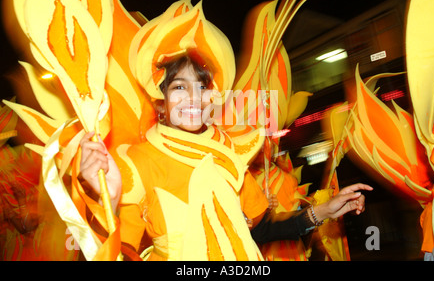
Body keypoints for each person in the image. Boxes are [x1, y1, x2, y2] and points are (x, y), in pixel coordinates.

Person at [79, 53, 372, 260]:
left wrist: (324, 211)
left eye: (202, 87)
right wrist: (111, 200)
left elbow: (262, 230)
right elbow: (110, 251)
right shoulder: (138, 160)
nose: (194, 98)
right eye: (180, 86)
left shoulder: (229, 153)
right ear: (162, 101)